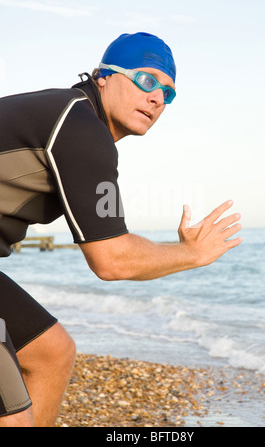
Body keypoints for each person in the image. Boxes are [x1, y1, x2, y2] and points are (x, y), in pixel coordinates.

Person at [0, 32, 242, 427]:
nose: (158, 98)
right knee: (13, 416)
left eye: (168, 93)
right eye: (147, 81)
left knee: (51, 352)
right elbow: (112, 260)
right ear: (103, 76)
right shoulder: (79, 128)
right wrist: (191, 254)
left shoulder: (73, 120)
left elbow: (110, 241)